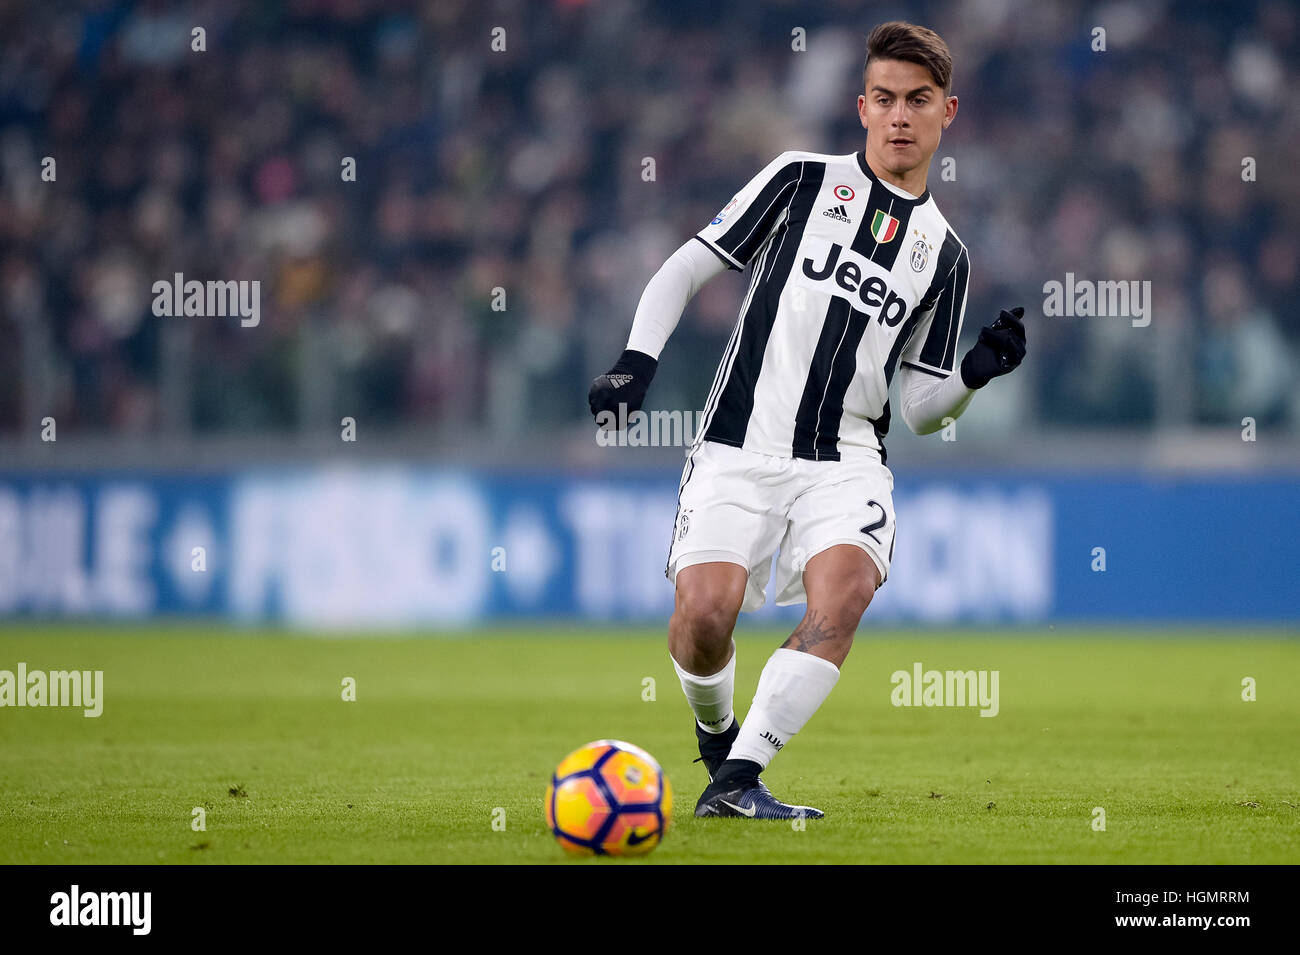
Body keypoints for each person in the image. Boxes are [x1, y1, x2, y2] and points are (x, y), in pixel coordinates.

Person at [588, 21, 1027, 819]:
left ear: (947, 113)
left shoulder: (947, 254)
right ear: (861, 107)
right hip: (737, 442)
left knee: (845, 593)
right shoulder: (799, 181)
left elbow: (923, 407)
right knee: (703, 616)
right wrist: (636, 361)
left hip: (846, 457)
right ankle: (719, 734)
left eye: (918, 101)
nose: (900, 116)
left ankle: (737, 781)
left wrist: (970, 375)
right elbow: (690, 264)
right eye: (886, 99)